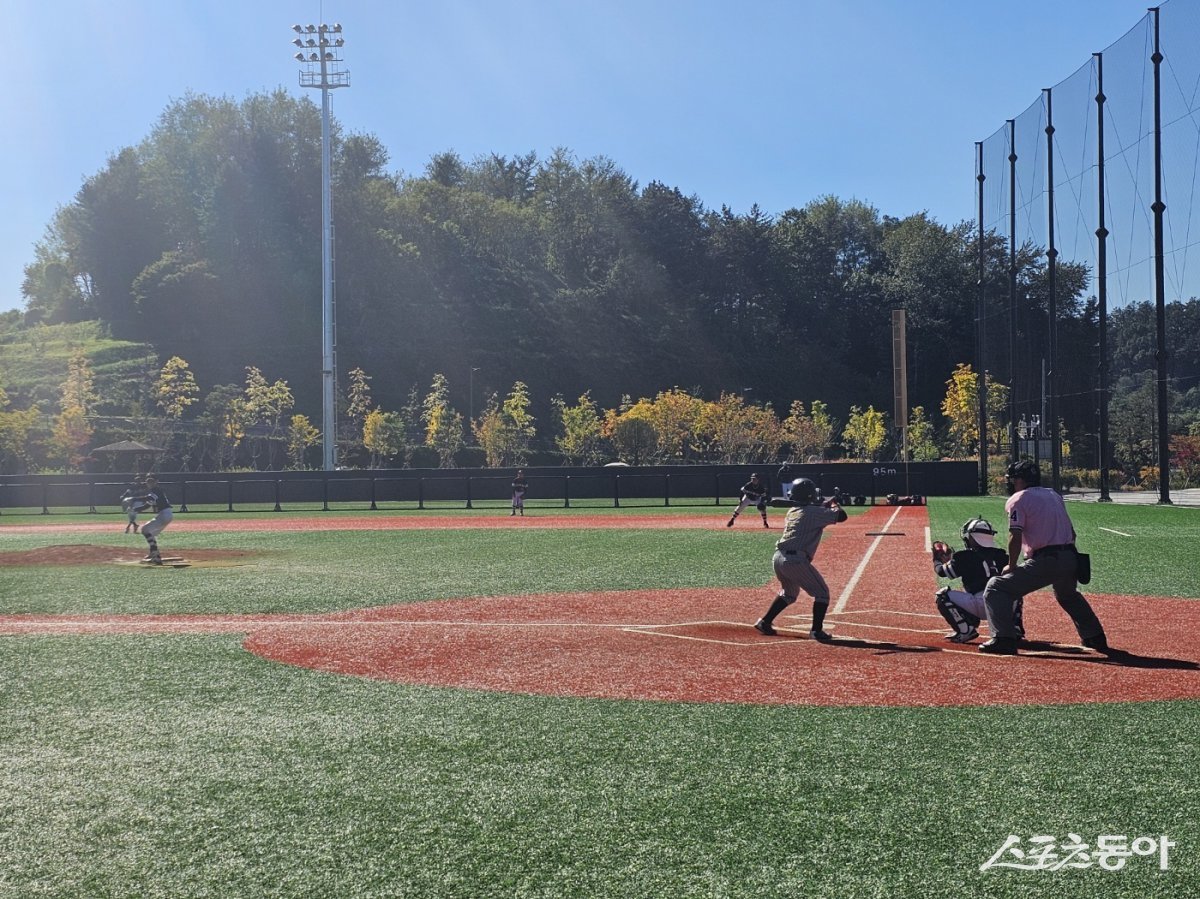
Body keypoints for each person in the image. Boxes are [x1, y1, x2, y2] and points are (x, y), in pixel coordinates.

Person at [979, 459, 1111, 655]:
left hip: (1047, 559)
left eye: (1013, 479)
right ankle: (1095, 636)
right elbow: (1072, 533)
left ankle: (1003, 638)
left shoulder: (1018, 499)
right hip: (1070, 556)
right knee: (1067, 595)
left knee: (996, 588)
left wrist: (1011, 565)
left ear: (1020, 480)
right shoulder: (1053, 495)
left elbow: (1014, 535)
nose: (1010, 483)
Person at [753, 477, 847, 642]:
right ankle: (816, 631)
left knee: (789, 594)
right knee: (822, 593)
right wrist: (834, 503)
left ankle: (765, 622)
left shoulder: (793, 511)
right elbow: (841, 516)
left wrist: (824, 504)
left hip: (778, 558)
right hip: (795, 560)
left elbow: (811, 513)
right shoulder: (813, 512)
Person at [933, 517, 1022, 644]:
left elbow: (942, 572)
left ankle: (965, 630)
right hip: (1004, 606)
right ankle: (1015, 628)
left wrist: (937, 559)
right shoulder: (1002, 555)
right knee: (1015, 592)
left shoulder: (964, 556)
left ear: (971, 537)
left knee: (942, 595)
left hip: (980, 605)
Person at [130, 474, 174, 565]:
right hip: (167, 514)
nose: (149, 483)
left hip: (164, 514)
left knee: (145, 530)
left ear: (156, 481)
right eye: (148, 481)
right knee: (151, 534)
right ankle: (152, 553)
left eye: (151, 481)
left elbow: (149, 498)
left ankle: (156, 557)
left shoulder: (155, 490)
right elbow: (148, 505)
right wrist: (136, 509)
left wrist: (134, 499)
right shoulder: (156, 490)